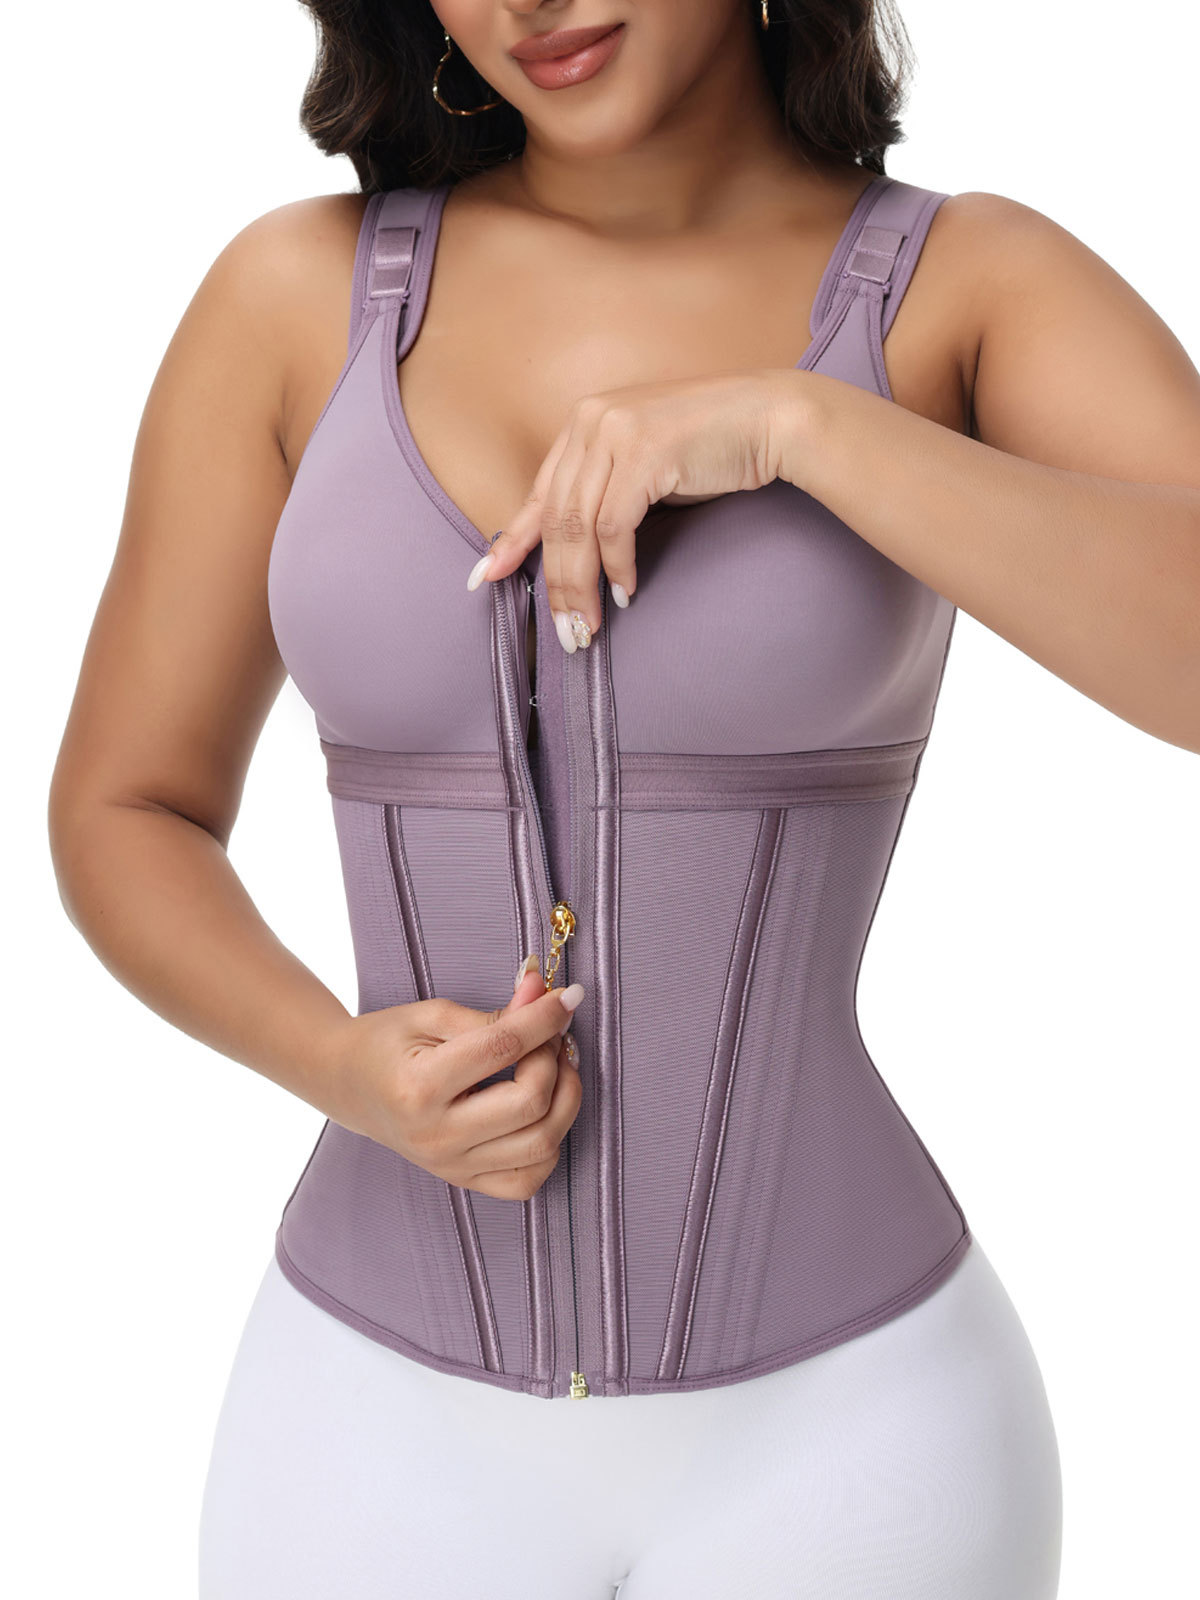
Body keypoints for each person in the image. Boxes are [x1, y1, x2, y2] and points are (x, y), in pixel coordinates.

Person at [46, 2, 1200, 1596]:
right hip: (366, 1430)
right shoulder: (301, 298)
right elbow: (127, 806)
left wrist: (803, 424)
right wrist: (342, 1067)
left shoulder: (960, 285)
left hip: (858, 1437)